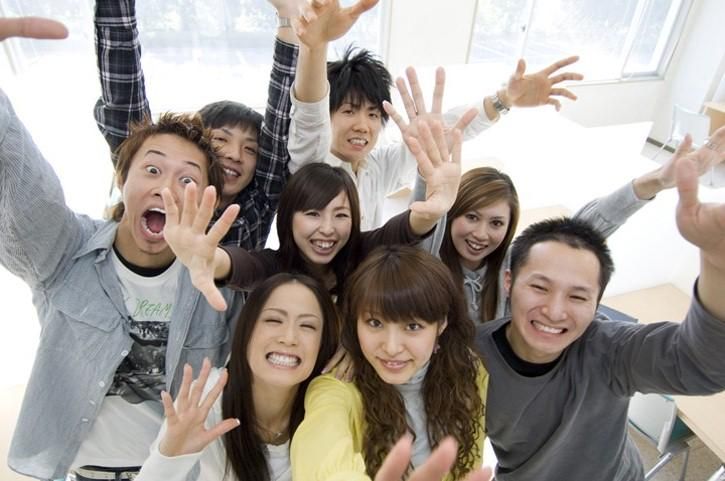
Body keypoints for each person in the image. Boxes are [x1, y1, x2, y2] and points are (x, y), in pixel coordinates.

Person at [0, 19, 247, 479]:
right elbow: (19, 174)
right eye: (152, 170)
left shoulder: (219, 283)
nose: (166, 188)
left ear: (207, 202)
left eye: (187, 178)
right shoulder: (66, 251)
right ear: (122, 179)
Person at [474, 131, 725, 481]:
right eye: (540, 287)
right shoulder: (470, 356)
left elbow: (702, 367)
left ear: (597, 302)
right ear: (509, 282)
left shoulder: (609, 350)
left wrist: (715, 264)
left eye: (577, 296)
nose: (554, 311)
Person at [287, 0, 583, 229]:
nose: (363, 125)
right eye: (349, 111)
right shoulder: (313, 160)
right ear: (328, 117)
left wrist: (504, 99)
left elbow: (450, 129)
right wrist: (315, 47)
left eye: (374, 115)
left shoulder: (376, 167)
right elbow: (309, 114)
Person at [160, 114, 463, 310]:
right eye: (313, 214)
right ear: (289, 217)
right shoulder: (274, 266)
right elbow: (242, 265)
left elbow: (399, 231)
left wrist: (430, 212)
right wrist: (210, 260)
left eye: (341, 215)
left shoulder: (360, 253)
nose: (328, 229)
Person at [93, 0, 300, 249]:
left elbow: (279, 116)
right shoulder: (154, 185)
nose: (235, 155)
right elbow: (124, 94)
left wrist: (289, 17)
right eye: (221, 140)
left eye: (250, 149)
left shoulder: (256, 206)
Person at [290, 245, 487, 480]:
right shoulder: (337, 387)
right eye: (375, 323)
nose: (392, 348)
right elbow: (322, 453)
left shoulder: (467, 371)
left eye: (412, 326)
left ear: (441, 324)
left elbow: (470, 461)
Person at [132, 273, 339, 481]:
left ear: (323, 343)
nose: (289, 338)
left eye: (307, 326)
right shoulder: (206, 400)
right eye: (274, 320)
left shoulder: (331, 412)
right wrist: (169, 458)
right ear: (246, 330)